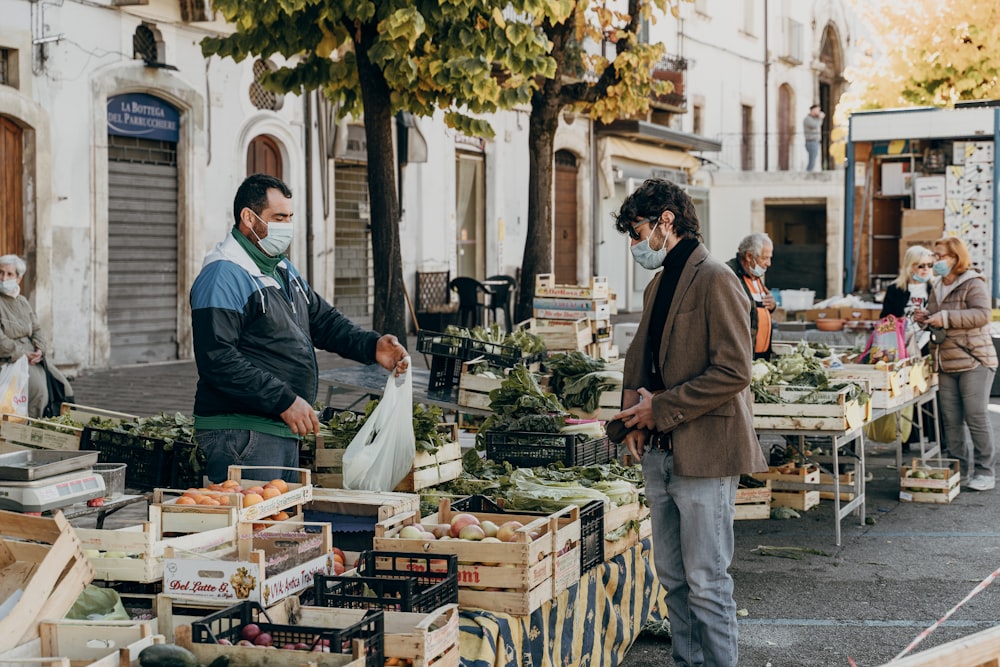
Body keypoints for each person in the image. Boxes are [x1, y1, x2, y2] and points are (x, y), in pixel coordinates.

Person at [610, 178, 768, 667]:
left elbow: (734, 371)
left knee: (707, 582)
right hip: (659, 454)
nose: (635, 245)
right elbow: (644, 360)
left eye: (637, 232)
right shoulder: (660, 281)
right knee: (674, 580)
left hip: (704, 452)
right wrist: (635, 419)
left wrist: (658, 408)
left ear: (665, 222)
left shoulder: (716, 277)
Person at [190, 174, 409, 483]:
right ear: (248, 218)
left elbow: (323, 321)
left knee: (279, 526)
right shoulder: (222, 275)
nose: (287, 226)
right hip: (243, 432)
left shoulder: (280, 267)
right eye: (279, 218)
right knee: (259, 528)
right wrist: (284, 400)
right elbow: (218, 360)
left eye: (290, 217)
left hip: (280, 427)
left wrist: (371, 346)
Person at [914, 237, 996, 491]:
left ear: (955, 258)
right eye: (935, 256)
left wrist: (946, 317)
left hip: (973, 360)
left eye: (940, 256)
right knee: (950, 419)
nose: (935, 261)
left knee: (976, 415)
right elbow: (934, 319)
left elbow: (983, 315)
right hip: (945, 361)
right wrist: (923, 319)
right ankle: (956, 468)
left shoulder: (972, 283)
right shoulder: (937, 285)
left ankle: (985, 471)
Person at [0, 255, 73, 418]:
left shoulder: (23, 302)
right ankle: (31, 430)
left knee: (63, 385)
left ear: (18, 278)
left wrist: (40, 349)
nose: (3, 278)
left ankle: (54, 424)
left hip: (32, 355)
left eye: (9, 274)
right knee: (39, 391)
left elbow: (37, 328)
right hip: (10, 357)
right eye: (1, 273)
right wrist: (22, 354)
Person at [726, 232, 776, 360]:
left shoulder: (755, 274)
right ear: (749, 256)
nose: (769, 263)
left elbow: (758, 306)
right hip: (742, 357)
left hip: (762, 356)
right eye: (764, 258)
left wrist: (772, 305)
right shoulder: (729, 275)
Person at [803, 104, 824, 172]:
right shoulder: (807, 119)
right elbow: (816, 125)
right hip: (811, 142)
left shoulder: (814, 118)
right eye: (817, 110)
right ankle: (808, 174)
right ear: (813, 110)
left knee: (813, 159)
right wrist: (820, 118)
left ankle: (809, 173)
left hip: (815, 141)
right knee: (812, 160)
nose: (818, 112)